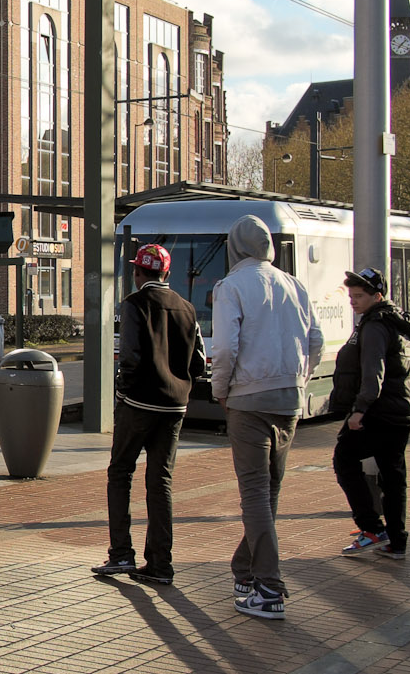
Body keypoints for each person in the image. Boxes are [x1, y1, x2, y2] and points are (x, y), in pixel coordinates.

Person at [211, 215, 323, 620]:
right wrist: (299, 379)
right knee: (270, 490)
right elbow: (316, 340)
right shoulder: (294, 285)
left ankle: (269, 588)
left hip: (248, 400)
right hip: (289, 398)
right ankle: (245, 569)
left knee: (255, 493)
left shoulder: (231, 287)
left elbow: (224, 347)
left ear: (234, 246)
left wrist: (220, 389)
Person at [91, 244, 207, 587]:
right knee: (161, 482)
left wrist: (123, 392)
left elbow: (130, 356)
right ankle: (160, 563)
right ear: (167, 275)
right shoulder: (187, 309)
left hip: (139, 404)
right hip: (175, 408)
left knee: (120, 472)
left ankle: (121, 552)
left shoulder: (134, 305)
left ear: (139, 274)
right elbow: (198, 363)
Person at [329, 266, 410, 560]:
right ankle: (397, 540)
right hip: (401, 410)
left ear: (377, 296)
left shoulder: (375, 325)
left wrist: (359, 411)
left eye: (358, 296)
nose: (353, 301)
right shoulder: (398, 321)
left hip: (378, 412)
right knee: (393, 476)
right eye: (351, 296)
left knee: (344, 458)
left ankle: (372, 528)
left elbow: (373, 373)